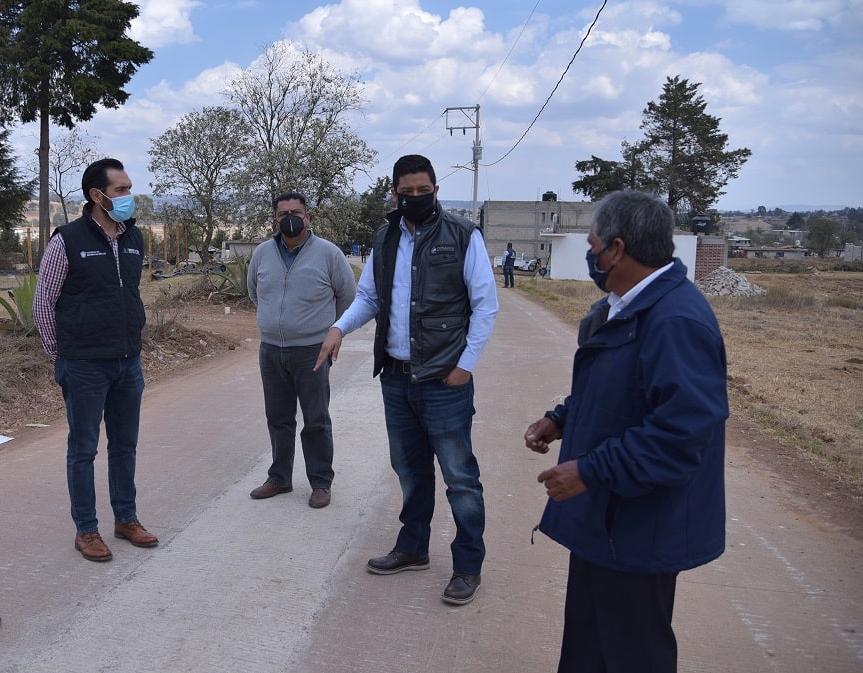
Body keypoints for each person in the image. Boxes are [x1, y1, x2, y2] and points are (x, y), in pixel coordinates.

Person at [524, 190, 728, 673]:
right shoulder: (629, 304)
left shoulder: (676, 321)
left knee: (633, 652)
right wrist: (562, 419)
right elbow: (620, 389)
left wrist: (591, 470)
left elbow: (680, 434)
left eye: (594, 245)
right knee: (590, 643)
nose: (591, 255)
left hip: (641, 528)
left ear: (616, 250)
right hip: (610, 520)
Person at [315, 154, 498, 606]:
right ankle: (413, 547)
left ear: (436, 189)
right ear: (395, 193)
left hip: (444, 381)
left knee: (460, 477)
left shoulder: (462, 235)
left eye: (423, 190)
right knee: (410, 472)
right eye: (406, 192)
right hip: (396, 379)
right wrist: (339, 328)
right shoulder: (386, 238)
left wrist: (465, 366)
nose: (415, 198)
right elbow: (370, 298)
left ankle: (468, 566)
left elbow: (485, 305)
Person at [31, 157, 158, 563]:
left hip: (128, 362)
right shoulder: (66, 240)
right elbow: (43, 304)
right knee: (83, 449)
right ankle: (86, 530)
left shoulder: (134, 238)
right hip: (84, 365)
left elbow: (130, 296)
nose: (128, 197)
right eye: (121, 190)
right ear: (96, 196)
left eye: (128, 188)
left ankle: (126, 519)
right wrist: (61, 354)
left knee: (125, 445)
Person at [247, 192, 356, 508]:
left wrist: (329, 331)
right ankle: (279, 478)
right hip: (271, 350)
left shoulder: (329, 254)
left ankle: (321, 483)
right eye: (283, 214)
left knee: (316, 419)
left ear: (308, 218)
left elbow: (347, 298)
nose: (290, 218)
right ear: (275, 220)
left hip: (312, 351)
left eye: (296, 212)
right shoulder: (263, 253)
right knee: (278, 418)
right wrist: (276, 321)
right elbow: (255, 292)